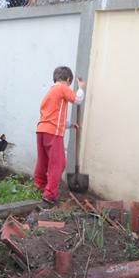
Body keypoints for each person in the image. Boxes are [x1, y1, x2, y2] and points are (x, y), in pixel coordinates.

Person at [34, 66, 85, 204]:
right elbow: (78, 99)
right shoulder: (62, 88)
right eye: (70, 84)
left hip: (41, 130)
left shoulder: (50, 92)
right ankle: (50, 194)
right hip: (53, 132)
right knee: (59, 163)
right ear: (68, 80)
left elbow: (54, 115)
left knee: (43, 160)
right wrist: (80, 87)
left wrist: (69, 124)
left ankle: (39, 184)